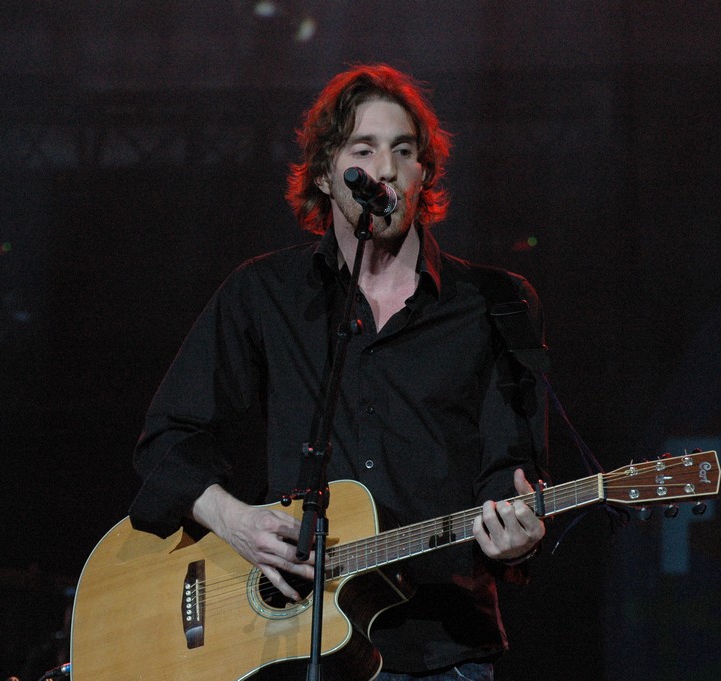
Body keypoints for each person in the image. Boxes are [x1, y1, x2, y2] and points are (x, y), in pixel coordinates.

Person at [129, 63, 548, 681]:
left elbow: (511, 470)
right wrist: (233, 519)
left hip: (441, 651)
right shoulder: (264, 293)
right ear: (326, 175)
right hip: (292, 646)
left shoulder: (498, 302)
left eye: (403, 151)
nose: (384, 170)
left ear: (422, 174)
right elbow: (168, 437)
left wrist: (519, 534)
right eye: (364, 149)